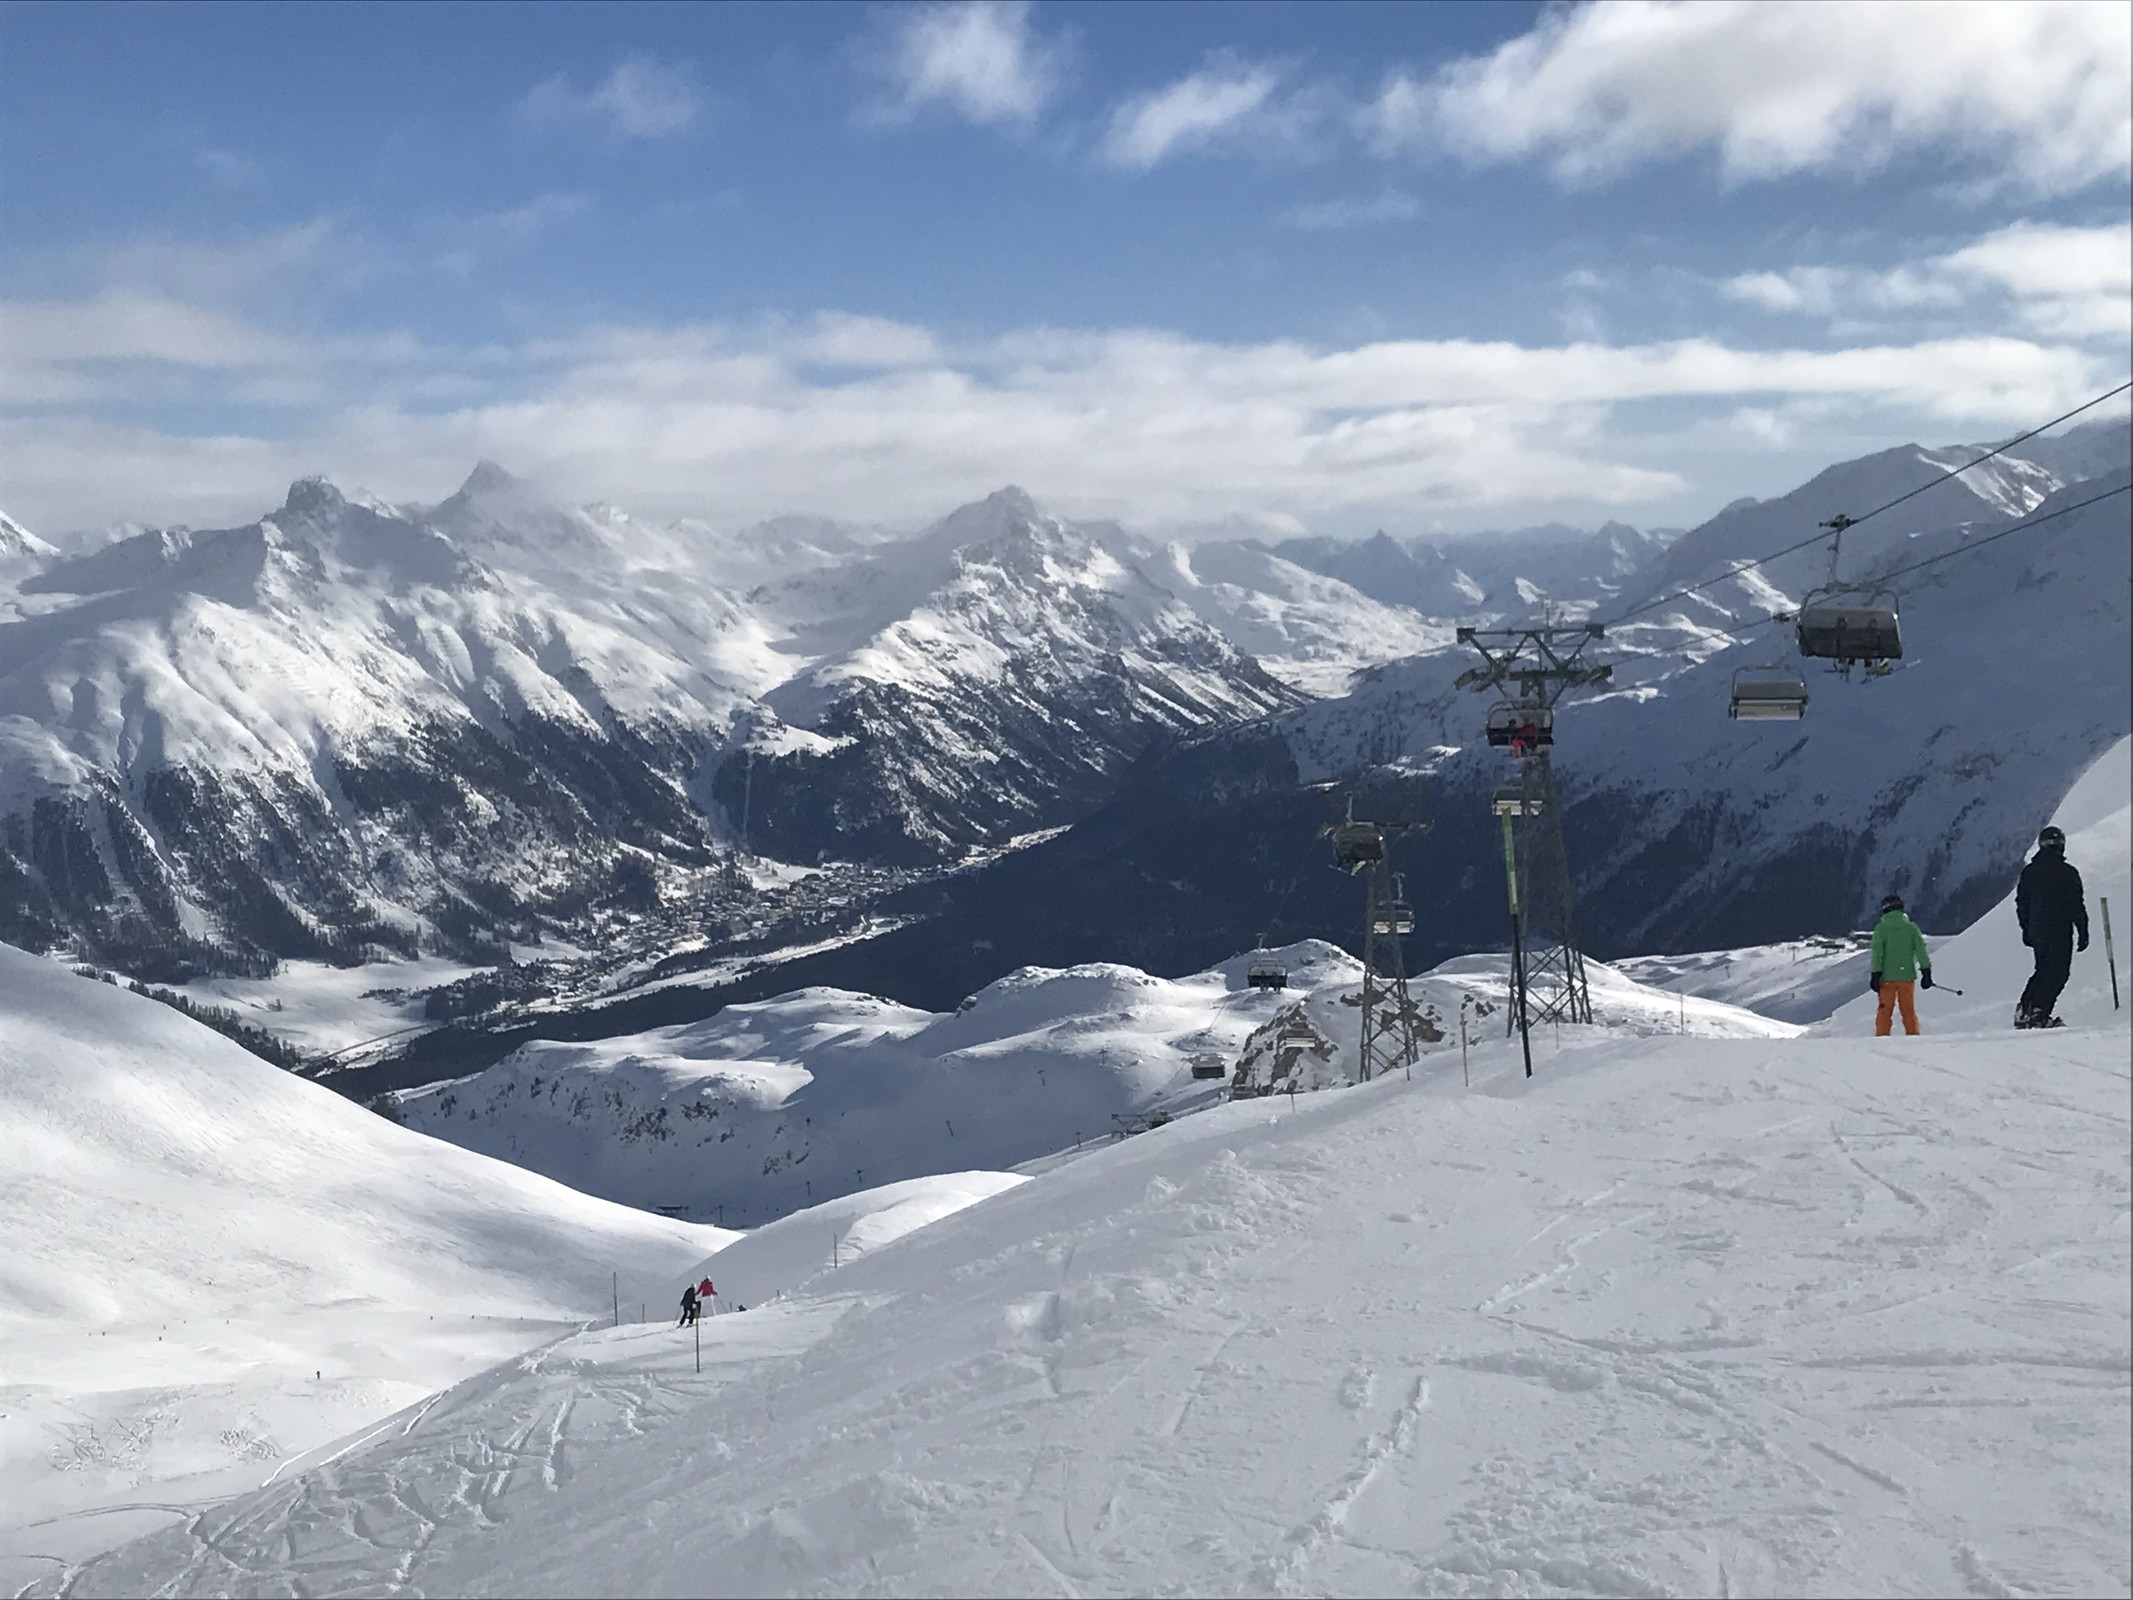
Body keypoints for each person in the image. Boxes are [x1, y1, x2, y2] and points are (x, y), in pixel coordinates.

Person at [2015, 824, 2089, 1029]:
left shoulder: (2030, 872)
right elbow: (2076, 904)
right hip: (2060, 930)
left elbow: (2022, 904)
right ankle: (2039, 1013)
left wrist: (2026, 929)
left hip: (2038, 930)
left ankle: (2025, 1010)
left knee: (2042, 970)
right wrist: (2083, 930)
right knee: (2058, 972)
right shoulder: (2067, 872)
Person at [1869, 892, 1933, 1037]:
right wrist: (1926, 972)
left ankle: (1881, 1038)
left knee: (1885, 1011)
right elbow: (1921, 951)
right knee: (1908, 1011)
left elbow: (1877, 953)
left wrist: (1875, 974)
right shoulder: (1911, 928)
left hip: (1886, 978)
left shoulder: (1881, 928)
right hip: (1906, 977)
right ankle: (1913, 1037)